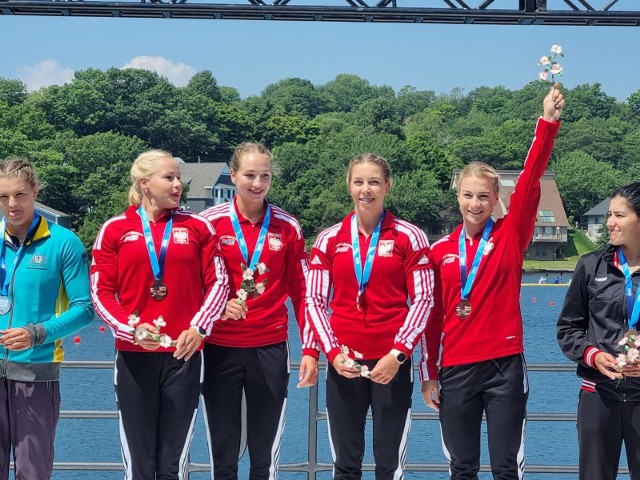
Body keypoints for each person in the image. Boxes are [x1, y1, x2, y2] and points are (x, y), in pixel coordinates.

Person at [419, 84, 564, 480]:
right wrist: (429, 373)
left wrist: (547, 123)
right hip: (456, 368)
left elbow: (532, 179)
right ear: (458, 197)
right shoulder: (439, 251)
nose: (475, 204)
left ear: (496, 197)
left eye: (483, 196)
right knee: (461, 468)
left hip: (504, 367)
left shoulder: (510, 234)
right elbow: (431, 317)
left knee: (505, 468)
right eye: (468, 195)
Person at [91, 149, 229, 479]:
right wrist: (130, 329)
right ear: (145, 183)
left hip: (184, 355)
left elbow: (220, 282)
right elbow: (101, 292)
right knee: (139, 464)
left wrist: (199, 328)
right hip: (134, 355)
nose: (178, 184)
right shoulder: (114, 229)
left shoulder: (198, 227)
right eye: (169, 177)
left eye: (179, 177)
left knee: (173, 462)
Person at [306, 153, 435, 480]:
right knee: (345, 466)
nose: (367, 189)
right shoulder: (328, 239)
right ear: (349, 186)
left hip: (391, 364)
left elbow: (424, 300)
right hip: (344, 364)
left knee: (388, 467)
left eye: (374, 182)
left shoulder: (410, 236)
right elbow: (315, 302)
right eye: (359, 182)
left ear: (387, 186)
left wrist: (399, 353)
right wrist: (332, 355)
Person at [200, 142, 319, 480]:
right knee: (223, 451)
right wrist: (218, 306)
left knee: (264, 455)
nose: (257, 183)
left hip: (269, 347)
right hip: (219, 347)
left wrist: (309, 350)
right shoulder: (208, 225)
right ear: (233, 174)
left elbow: (303, 294)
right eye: (249, 175)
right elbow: (192, 287)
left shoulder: (288, 226)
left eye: (264, 176)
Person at [0, 157, 93, 480]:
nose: (12, 204)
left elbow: (84, 309)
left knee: (32, 472)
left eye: (20, 195)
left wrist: (37, 333)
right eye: (3, 196)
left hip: (36, 374)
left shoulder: (63, 242)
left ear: (35, 191)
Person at [557, 182, 640, 480]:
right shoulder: (591, 266)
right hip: (598, 395)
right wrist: (593, 356)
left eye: (619, 215)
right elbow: (568, 329)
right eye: (609, 215)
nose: (610, 223)